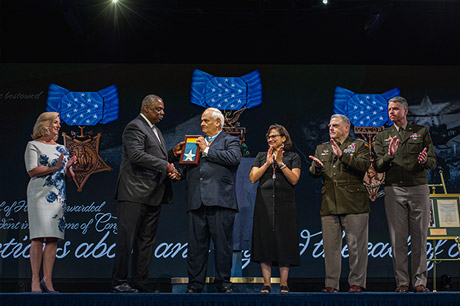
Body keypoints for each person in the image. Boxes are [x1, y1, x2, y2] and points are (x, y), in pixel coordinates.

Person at [112, 94, 183, 293]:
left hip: (153, 193)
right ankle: (119, 282)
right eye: (158, 109)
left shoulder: (156, 130)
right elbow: (136, 156)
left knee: (146, 242)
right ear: (145, 109)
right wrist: (166, 165)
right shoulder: (134, 126)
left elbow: (152, 156)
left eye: (163, 109)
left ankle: (140, 282)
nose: (162, 113)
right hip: (133, 192)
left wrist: (171, 155)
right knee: (127, 240)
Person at [374, 96, 436, 293]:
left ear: (405, 111)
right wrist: (389, 155)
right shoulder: (383, 136)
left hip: (418, 188)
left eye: (395, 109)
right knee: (397, 240)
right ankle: (402, 283)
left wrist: (425, 160)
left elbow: (433, 162)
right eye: (389, 109)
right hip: (394, 189)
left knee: (419, 238)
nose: (391, 112)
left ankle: (420, 283)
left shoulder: (421, 132)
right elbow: (377, 166)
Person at [176, 107, 241, 293]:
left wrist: (207, 149)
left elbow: (234, 158)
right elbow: (188, 167)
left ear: (218, 122)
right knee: (196, 247)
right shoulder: (194, 143)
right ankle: (195, 284)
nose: (202, 124)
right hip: (197, 201)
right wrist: (176, 172)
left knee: (222, 246)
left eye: (206, 120)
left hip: (221, 201)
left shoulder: (230, 140)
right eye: (202, 121)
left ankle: (223, 283)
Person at [309, 114, 370, 293]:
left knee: (356, 247)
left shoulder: (359, 145)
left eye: (335, 126)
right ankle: (331, 284)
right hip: (330, 203)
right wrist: (317, 168)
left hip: (354, 203)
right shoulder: (323, 148)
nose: (331, 128)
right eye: (329, 126)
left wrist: (343, 155)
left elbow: (363, 165)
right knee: (330, 249)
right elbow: (314, 171)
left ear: (346, 127)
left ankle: (356, 283)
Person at [24, 112, 77, 293]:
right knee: (38, 237)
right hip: (39, 195)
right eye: (55, 122)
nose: (58, 126)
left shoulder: (62, 148)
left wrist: (68, 168)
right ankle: (34, 281)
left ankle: (47, 280)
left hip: (58, 196)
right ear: (45, 124)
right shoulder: (33, 145)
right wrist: (55, 167)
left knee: (53, 239)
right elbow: (32, 171)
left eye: (58, 123)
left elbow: (69, 177)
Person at [249, 124, 301, 293]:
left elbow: (294, 179)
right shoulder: (261, 156)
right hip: (264, 204)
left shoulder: (293, 157)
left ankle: (284, 283)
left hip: (285, 204)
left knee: (284, 242)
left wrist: (280, 163)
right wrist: (267, 164)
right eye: (269, 137)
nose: (270, 140)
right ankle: (266, 283)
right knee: (264, 242)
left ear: (283, 138)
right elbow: (252, 178)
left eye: (274, 136)